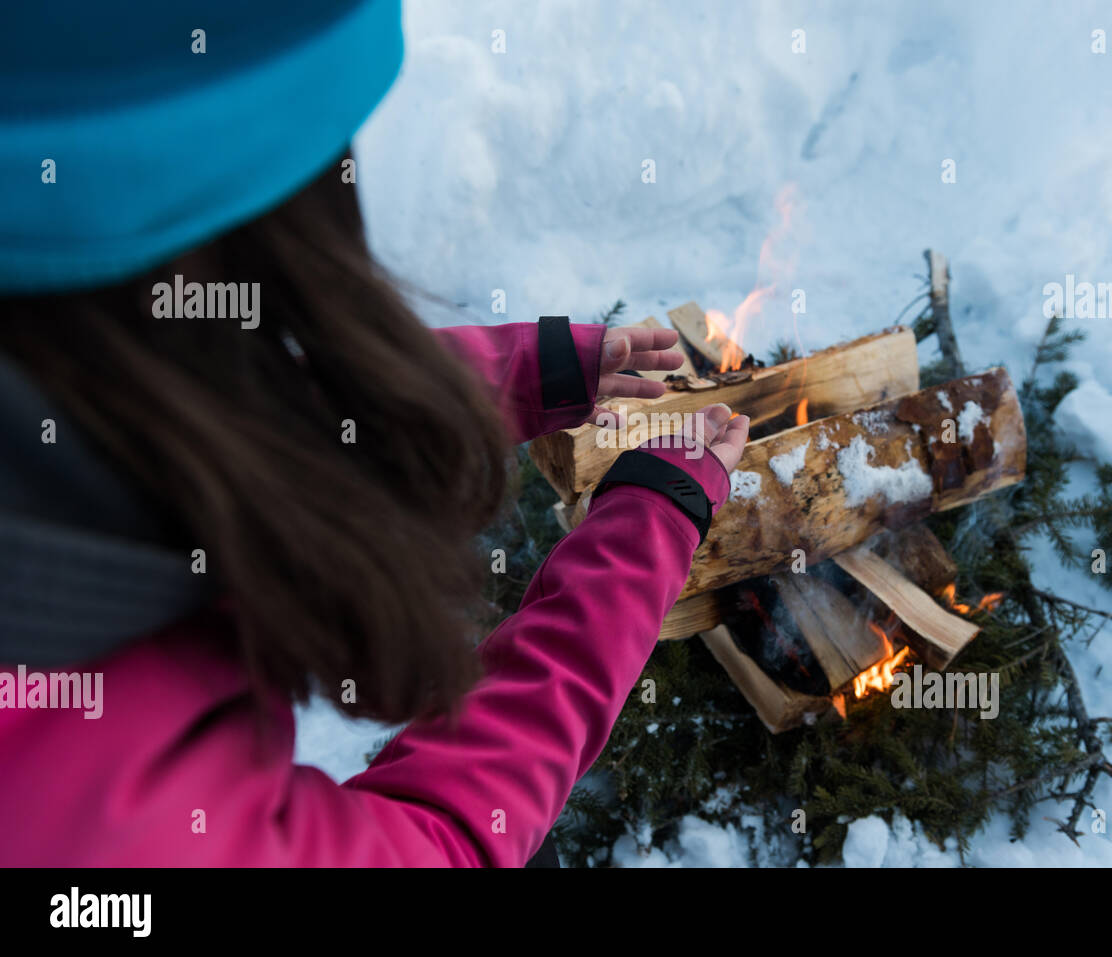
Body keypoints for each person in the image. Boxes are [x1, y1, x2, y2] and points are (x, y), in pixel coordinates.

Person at [0, 0, 749, 865]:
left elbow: (228, 415)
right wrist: (649, 523)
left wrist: (529, 370)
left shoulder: (69, 383)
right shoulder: (124, 825)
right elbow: (445, 834)